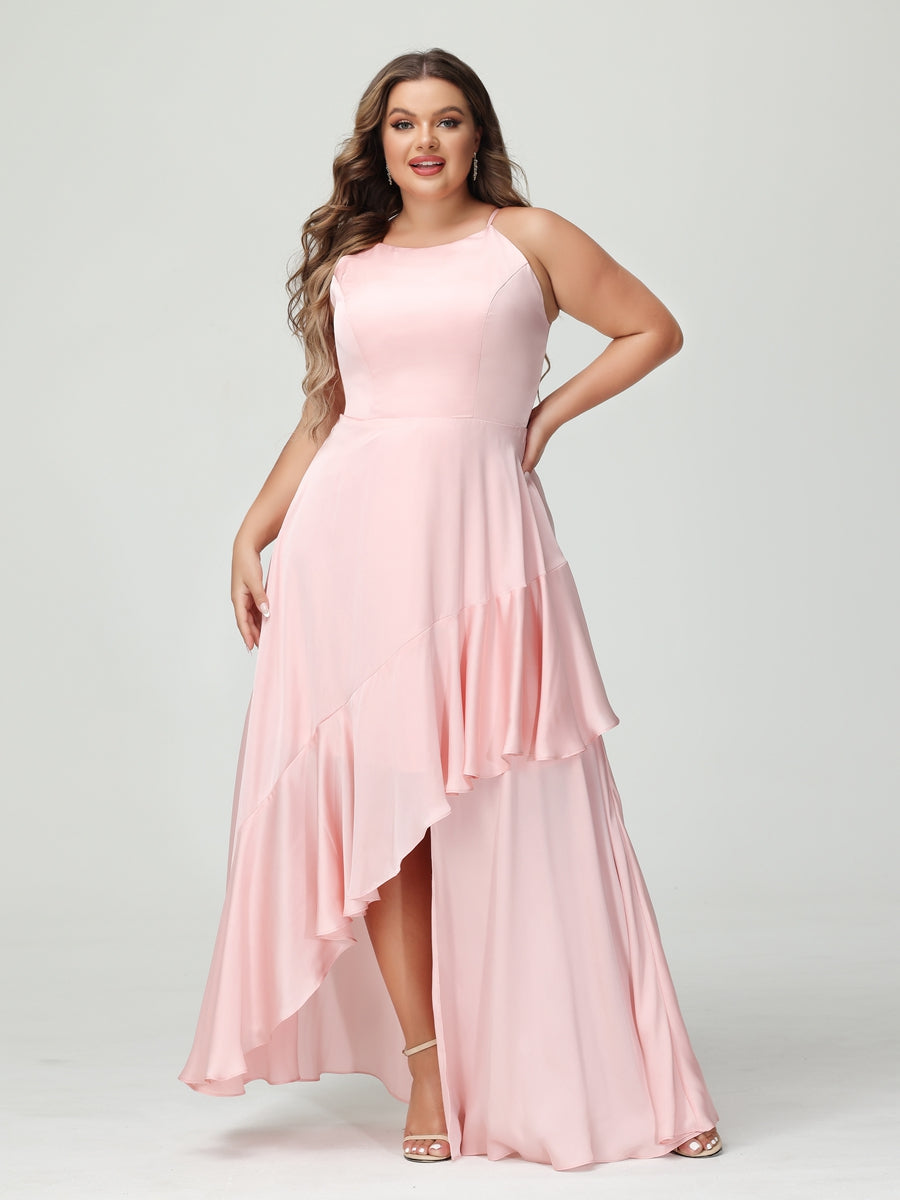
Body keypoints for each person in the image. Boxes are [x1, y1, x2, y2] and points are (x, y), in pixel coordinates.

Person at [178, 47, 724, 1171]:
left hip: (479, 548)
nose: (424, 140)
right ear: (377, 144)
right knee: (383, 818)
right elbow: (330, 414)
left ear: (479, 135)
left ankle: (617, 1074)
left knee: (539, 800)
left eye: (447, 119)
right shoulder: (355, 263)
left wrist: (546, 415)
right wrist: (252, 529)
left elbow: (653, 327)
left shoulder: (528, 238)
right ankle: (427, 1068)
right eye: (402, 123)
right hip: (349, 554)